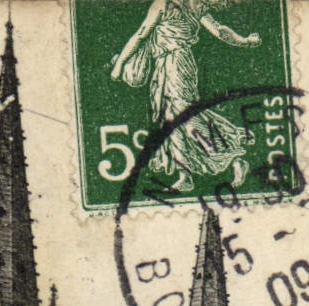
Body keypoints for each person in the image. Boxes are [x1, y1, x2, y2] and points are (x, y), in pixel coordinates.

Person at [109, 0, 262, 192]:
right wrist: (244, 41)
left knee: (184, 117)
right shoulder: (195, 5)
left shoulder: (163, 4)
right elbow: (219, 31)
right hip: (171, 65)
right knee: (170, 120)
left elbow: (141, 35)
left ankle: (234, 158)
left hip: (174, 65)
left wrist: (119, 65)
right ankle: (185, 175)